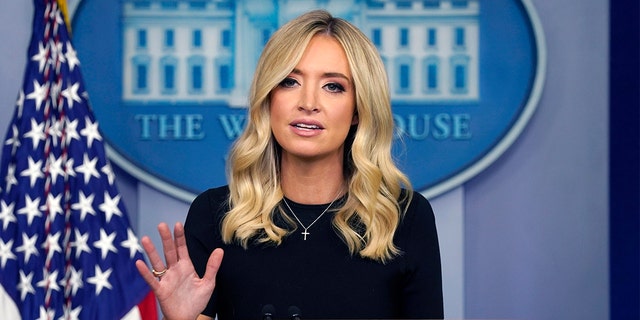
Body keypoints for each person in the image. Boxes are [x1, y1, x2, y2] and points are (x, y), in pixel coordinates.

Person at [135, 9, 443, 320]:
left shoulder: (404, 218)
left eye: (333, 86)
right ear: (269, 99)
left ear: (358, 111)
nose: (308, 103)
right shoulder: (215, 214)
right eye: (290, 81)